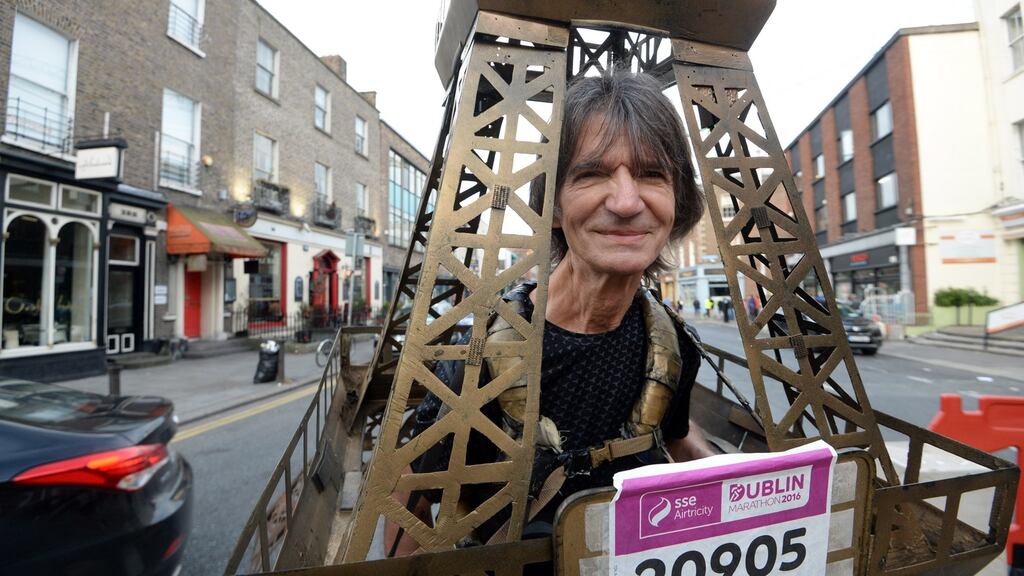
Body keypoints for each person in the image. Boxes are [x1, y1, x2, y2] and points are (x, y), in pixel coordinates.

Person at [397, 70, 715, 553]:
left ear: (677, 203)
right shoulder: (478, 358)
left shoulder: (672, 346)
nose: (628, 202)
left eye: (652, 175)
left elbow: (675, 436)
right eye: (592, 174)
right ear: (555, 208)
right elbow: (409, 506)